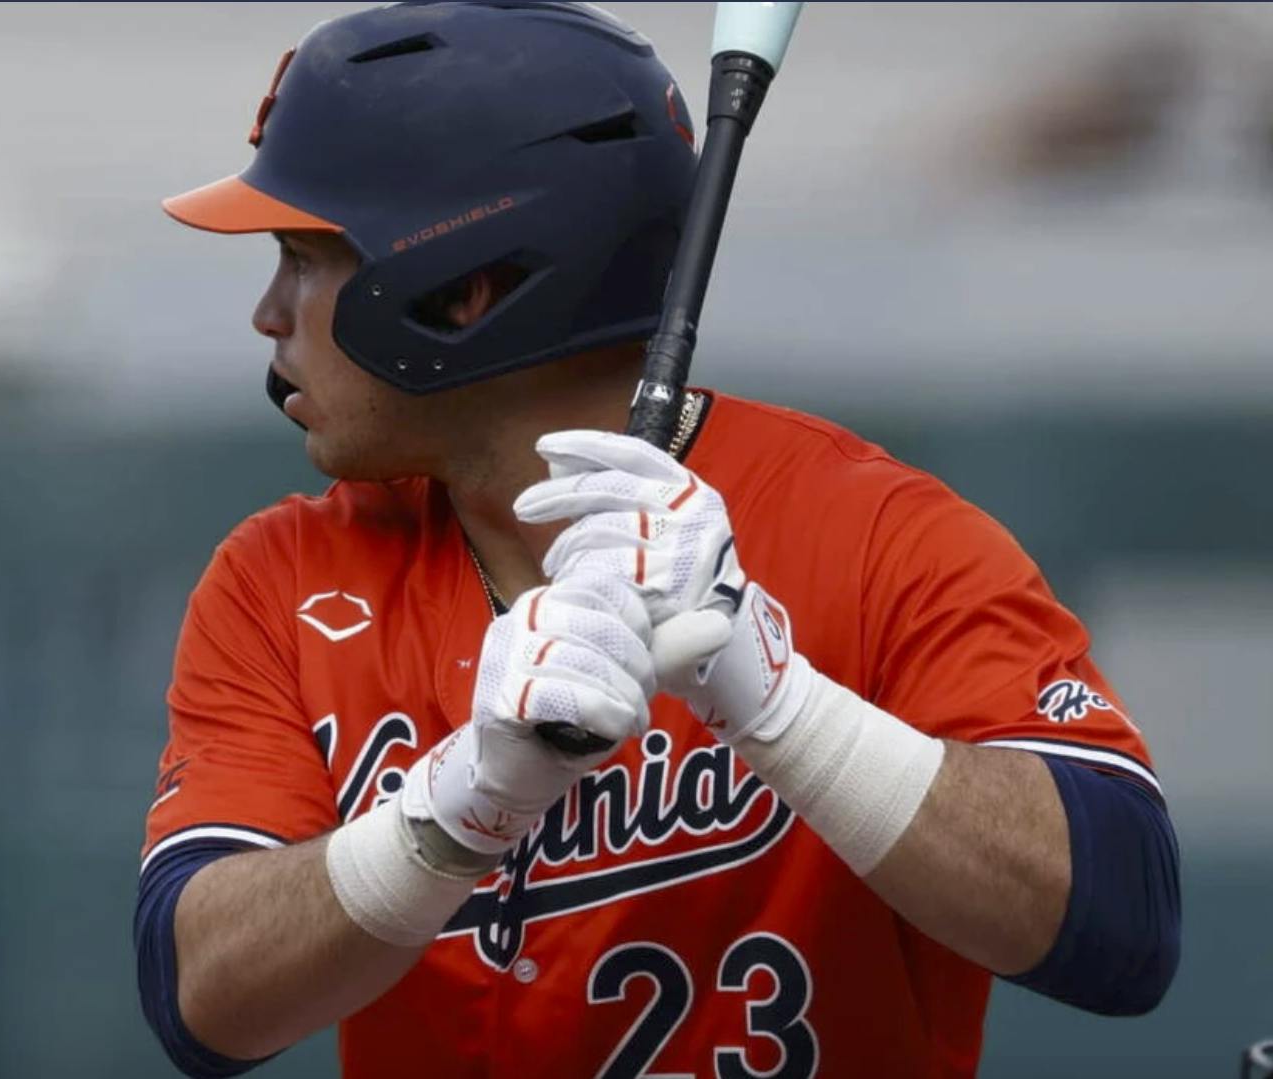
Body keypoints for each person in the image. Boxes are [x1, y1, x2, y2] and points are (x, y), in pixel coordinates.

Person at [133, 4, 1181, 1077]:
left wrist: (785, 706)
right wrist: (456, 806)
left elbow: (1123, 925)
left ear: (459, 292)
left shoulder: (876, 532)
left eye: (307, 260)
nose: (269, 314)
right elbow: (202, 1000)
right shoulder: (280, 579)